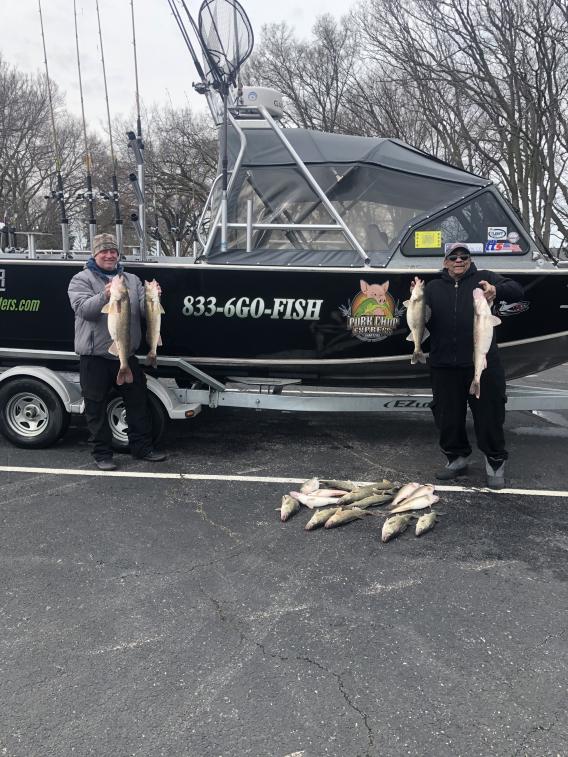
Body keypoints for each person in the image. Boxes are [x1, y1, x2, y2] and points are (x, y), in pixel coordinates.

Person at [412, 245, 524, 489]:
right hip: (443, 364)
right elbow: (418, 320)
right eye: (453, 257)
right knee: (447, 416)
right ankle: (456, 458)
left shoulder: (484, 278)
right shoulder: (432, 288)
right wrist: (416, 302)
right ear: (445, 262)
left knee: (490, 414)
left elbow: (516, 290)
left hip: (483, 364)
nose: (459, 260)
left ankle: (495, 461)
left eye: (464, 257)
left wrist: (496, 289)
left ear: (470, 260)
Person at [68, 233, 167, 471]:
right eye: (104, 251)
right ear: (95, 254)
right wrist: (105, 294)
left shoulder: (131, 280)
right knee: (96, 408)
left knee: (138, 403)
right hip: (94, 358)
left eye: (113, 251)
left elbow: (145, 311)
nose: (110, 255)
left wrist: (154, 299)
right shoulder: (80, 279)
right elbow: (83, 310)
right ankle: (102, 454)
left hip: (125, 355)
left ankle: (142, 448)